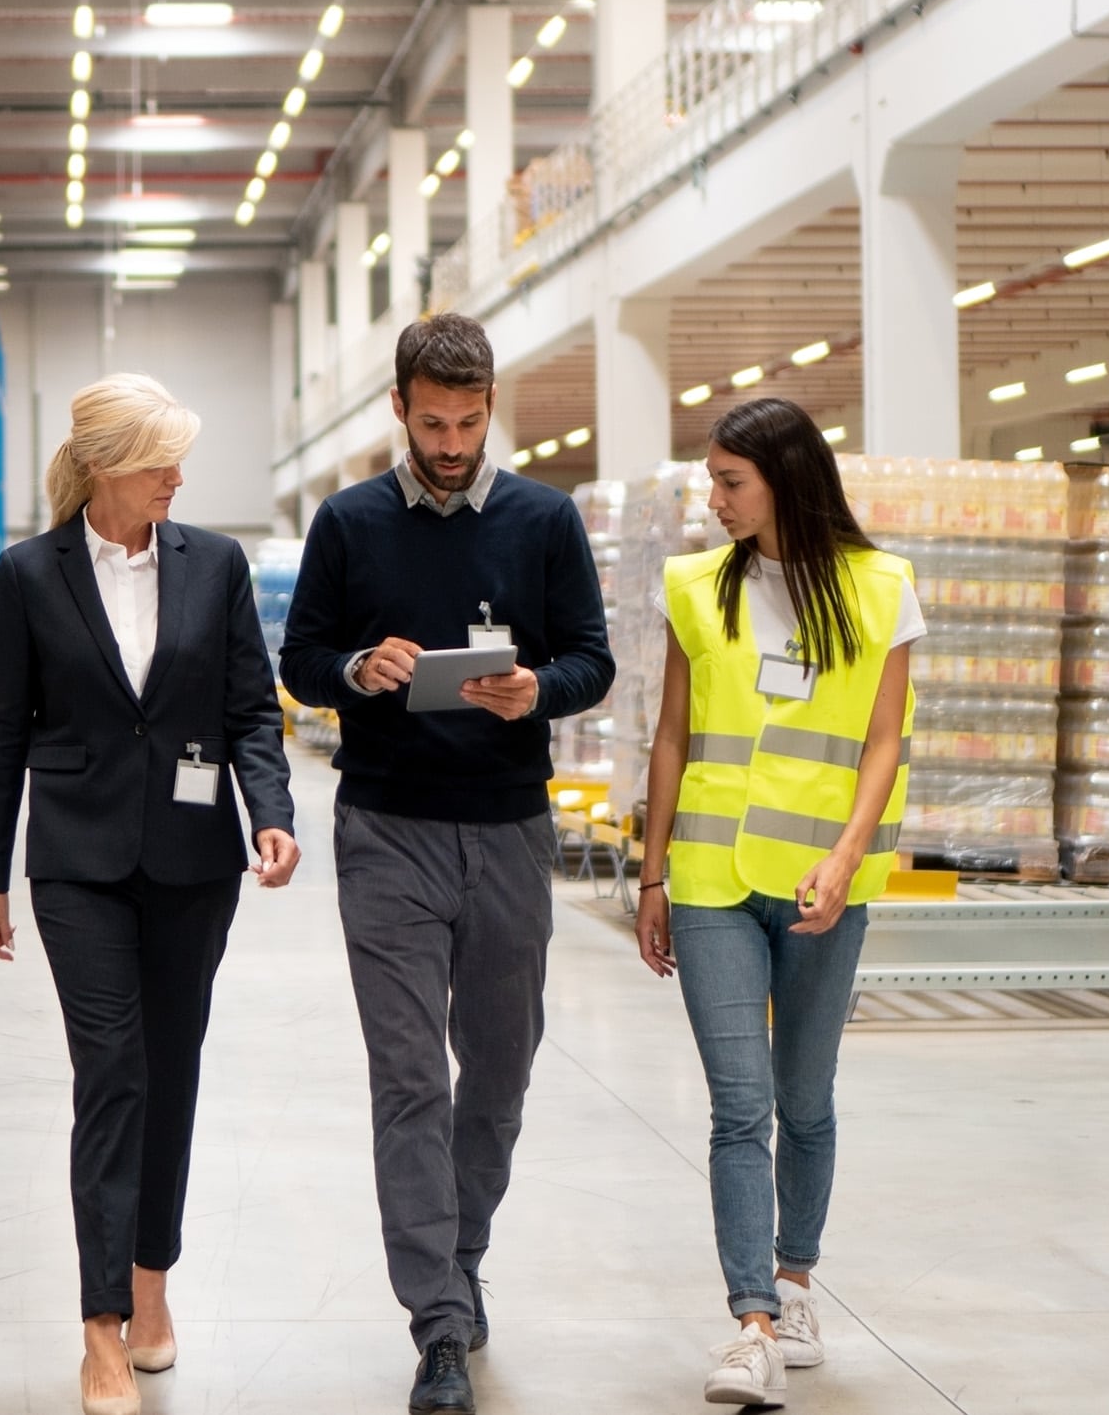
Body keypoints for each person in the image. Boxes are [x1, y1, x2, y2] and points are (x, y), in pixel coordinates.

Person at [279, 315, 614, 1415]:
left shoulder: (544, 520)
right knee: (410, 1076)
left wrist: (539, 690)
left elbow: (591, 660)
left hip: (510, 827)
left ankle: (460, 1259)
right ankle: (435, 1322)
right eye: (434, 421)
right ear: (399, 408)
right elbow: (301, 660)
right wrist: (357, 668)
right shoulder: (347, 522)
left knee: (501, 1068)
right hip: (387, 831)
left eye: (471, 421)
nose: (454, 440)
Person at [0, 373, 301, 1415]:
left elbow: (251, 705)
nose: (178, 475)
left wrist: (271, 809)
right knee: (110, 1072)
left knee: (170, 1071)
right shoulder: (29, 573)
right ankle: (100, 1329)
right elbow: (0, 726)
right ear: (107, 462)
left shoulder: (217, 563)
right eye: (161, 458)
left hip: (196, 860)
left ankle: (152, 1278)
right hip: (77, 860)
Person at [633, 396, 920, 1409]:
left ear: (784, 478)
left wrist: (845, 860)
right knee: (736, 1106)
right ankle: (749, 1319)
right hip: (711, 880)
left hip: (821, 889)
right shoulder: (693, 587)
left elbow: (883, 741)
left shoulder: (881, 587)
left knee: (804, 1101)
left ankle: (796, 1281)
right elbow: (670, 735)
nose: (710, 500)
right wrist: (651, 870)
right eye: (709, 480)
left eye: (727, 481)